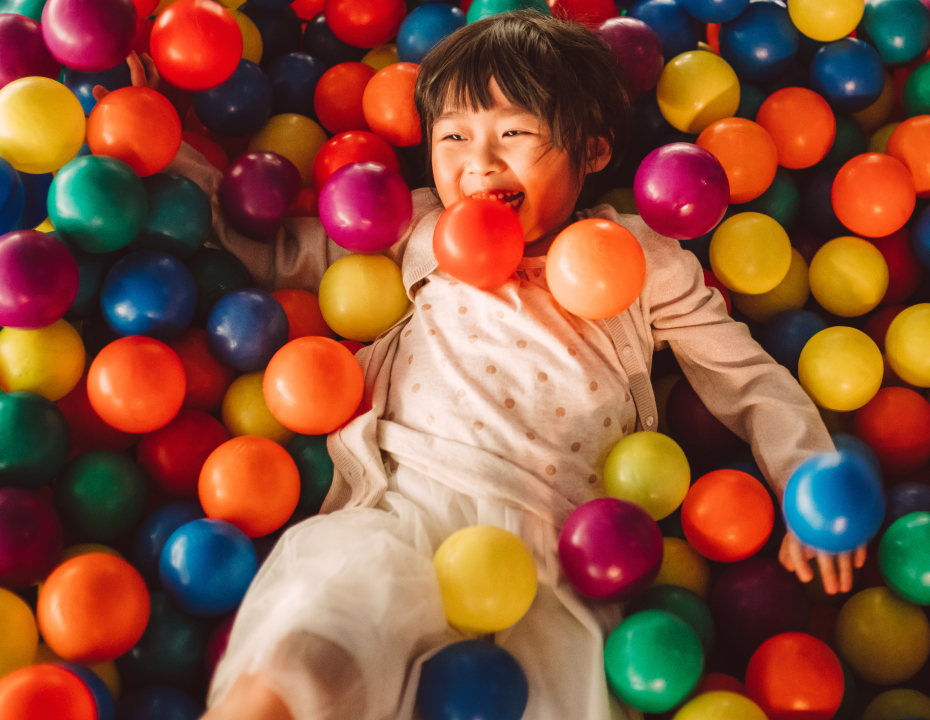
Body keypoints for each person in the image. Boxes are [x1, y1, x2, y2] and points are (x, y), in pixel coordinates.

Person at [114, 11, 863, 720]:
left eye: (514, 133)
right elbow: (273, 249)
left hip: (555, 553)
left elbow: (746, 376)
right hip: (403, 512)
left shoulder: (640, 260)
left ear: (592, 150)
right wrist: (152, 137)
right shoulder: (418, 231)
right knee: (311, 644)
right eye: (454, 138)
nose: (480, 162)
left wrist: (808, 489)